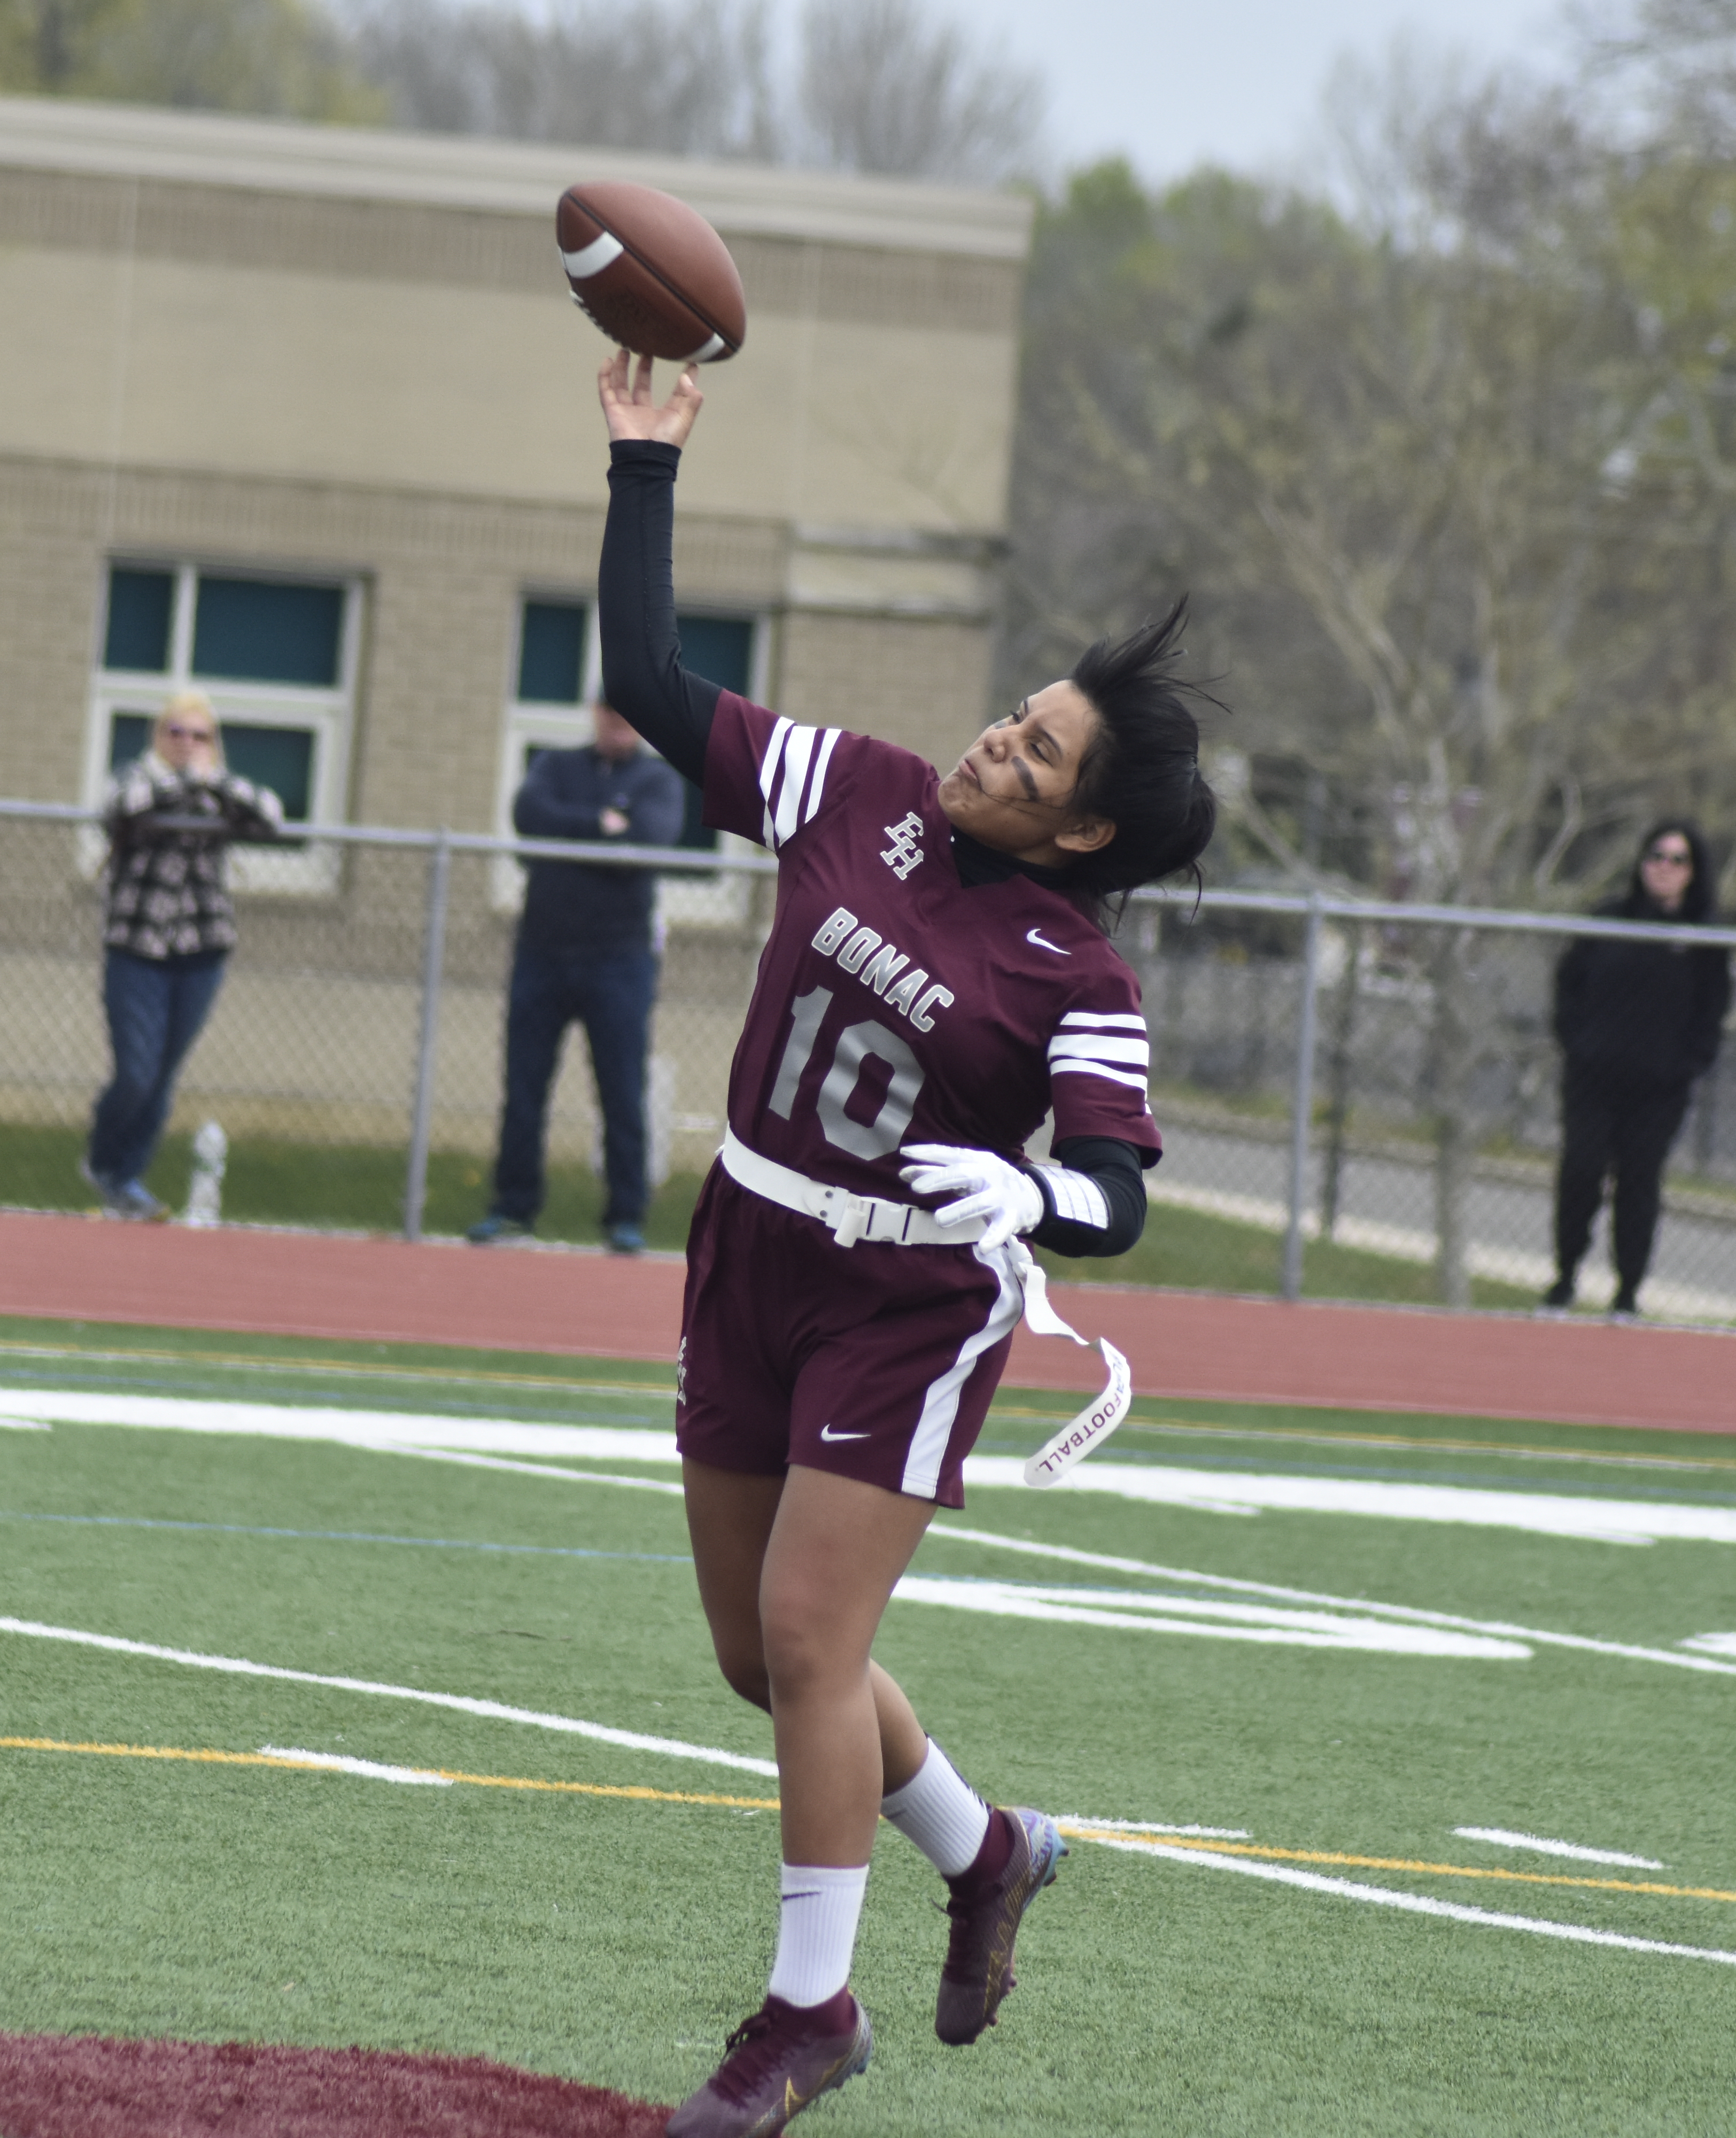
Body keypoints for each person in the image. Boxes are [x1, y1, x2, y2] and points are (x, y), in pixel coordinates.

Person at [589, 352, 1215, 2138]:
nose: (992, 745)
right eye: (1012, 716)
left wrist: (1042, 1201)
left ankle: (806, 2017)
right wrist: (644, 467)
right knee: (760, 1657)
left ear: (1083, 830)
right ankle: (987, 1845)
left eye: (1034, 754)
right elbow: (648, 681)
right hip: (752, 1245)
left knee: (806, 1633)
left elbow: (1114, 1187)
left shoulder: (1076, 976)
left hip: (905, 1299)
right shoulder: (853, 789)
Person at [468, 699, 685, 1253]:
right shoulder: (554, 767)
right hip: (542, 954)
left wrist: (580, 842)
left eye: (629, 714)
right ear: (595, 713)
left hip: (620, 961)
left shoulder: (658, 779)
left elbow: (647, 846)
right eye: (611, 712)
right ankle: (513, 1207)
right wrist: (600, 826)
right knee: (523, 1089)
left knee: (620, 1092)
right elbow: (529, 817)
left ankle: (625, 1217)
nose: (618, 722)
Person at [84, 690, 281, 1220]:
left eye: (200, 736)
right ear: (158, 735)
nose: (187, 744)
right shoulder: (138, 779)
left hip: (201, 948)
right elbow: (119, 808)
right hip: (138, 946)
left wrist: (210, 781)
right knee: (136, 1072)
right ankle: (103, 1159)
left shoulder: (219, 791)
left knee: (164, 1074)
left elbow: (271, 816)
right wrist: (181, 784)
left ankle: (128, 1179)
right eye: (177, 732)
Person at [1543, 820, 1731, 1322]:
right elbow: (1569, 984)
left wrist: (1687, 1065)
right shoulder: (1609, 918)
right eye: (1656, 856)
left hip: (1659, 1089)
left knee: (1639, 1181)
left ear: (1693, 872)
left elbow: (1713, 1010)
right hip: (1594, 1077)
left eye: (1677, 860)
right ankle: (1564, 1279)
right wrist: (1577, 1044)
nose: (1664, 869)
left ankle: (1627, 1292)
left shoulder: (1704, 938)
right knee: (1581, 1169)